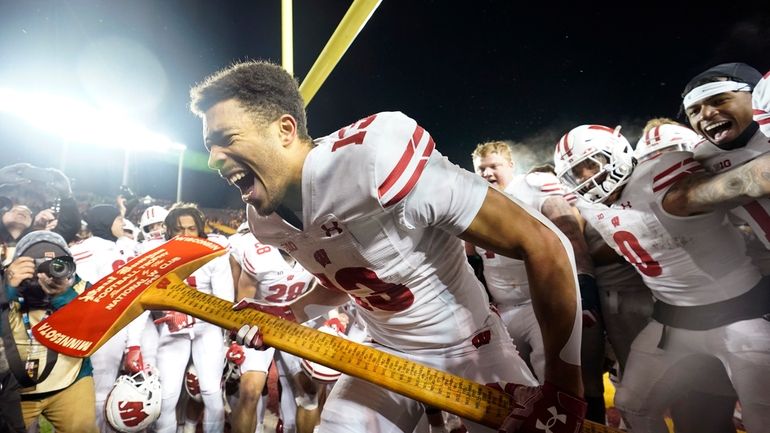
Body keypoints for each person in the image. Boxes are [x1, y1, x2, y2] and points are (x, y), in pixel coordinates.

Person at [190, 60, 586, 433]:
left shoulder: (372, 161)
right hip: (384, 350)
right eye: (210, 145)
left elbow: (544, 243)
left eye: (225, 139)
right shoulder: (264, 219)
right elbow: (344, 277)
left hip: (471, 347)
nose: (211, 161)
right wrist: (289, 313)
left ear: (285, 129)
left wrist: (564, 389)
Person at [553, 123, 770, 433]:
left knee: (762, 417)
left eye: (591, 164)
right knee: (632, 405)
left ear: (617, 152)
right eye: (577, 174)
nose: (587, 179)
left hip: (739, 314)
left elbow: (732, 186)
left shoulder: (660, 180)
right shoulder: (589, 207)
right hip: (672, 322)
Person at [467, 140, 607, 423]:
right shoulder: (475, 198)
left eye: (494, 166)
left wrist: (584, 291)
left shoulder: (531, 185)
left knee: (560, 383)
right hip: (503, 310)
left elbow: (570, 235)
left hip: (540, 303)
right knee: (517, 385)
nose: (487, 174)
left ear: (511, 165)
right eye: (481, 169)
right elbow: (471, 260)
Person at [147, 202, 233, 433]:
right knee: (167, 395)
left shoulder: (214, 254)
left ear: (200, 229)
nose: (185, 234)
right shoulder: (158, 255)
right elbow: (147, 298)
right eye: (179, 229)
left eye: (191, 228)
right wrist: (167, 311)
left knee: (210, 391)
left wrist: (192, 315)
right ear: (169, 231)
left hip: (207, 326)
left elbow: (225, 303)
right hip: (172, 325)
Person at [2, 231, 98, 432]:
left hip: (70, 381)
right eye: (37, 264)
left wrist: (64, 296)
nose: (47, 271)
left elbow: (95, 327)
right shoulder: (6, 282)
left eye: (57, 265)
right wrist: (7, 289)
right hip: (15, 386)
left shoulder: (81, 288)